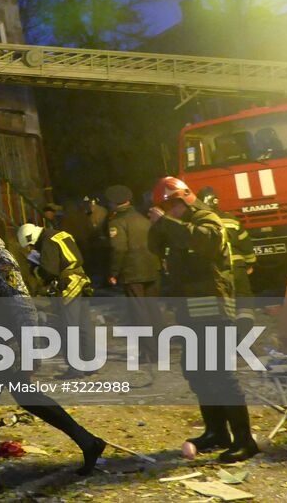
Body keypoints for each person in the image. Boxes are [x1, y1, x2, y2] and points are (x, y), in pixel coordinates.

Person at [0, 212, 106, 487]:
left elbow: (21, 304)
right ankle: (89, 442)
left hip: (3, 346)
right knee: (26, 397)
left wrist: (30, 348)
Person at [147, 176, 260, 463]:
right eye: (165, 209)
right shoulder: (176, 226)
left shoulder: (207, 219)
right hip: (189, 310)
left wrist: (168, 223)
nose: (169, 212)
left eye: (171, 206)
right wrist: (159, 225)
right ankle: (216, 432)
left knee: (220, 374)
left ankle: (244, 440)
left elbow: (206, 242)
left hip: (213, 307)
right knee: (197, 371)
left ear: (183, 199)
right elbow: (155, 247)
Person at [17, 218, 94, 378]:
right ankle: (90, 364)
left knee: (69, 328)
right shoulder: (60, 234)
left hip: (68, 285)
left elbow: (50, 270)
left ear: (30, 237)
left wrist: (36, 269)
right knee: (84, 326)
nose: (32, 248)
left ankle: (75, 369)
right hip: (81, 280)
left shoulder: (47, 242)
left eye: (30, 245)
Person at [102, 185, 164, 365]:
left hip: (132, 272)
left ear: (113, 203)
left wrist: (113, 272)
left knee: (139, 313)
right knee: (153, 310)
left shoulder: (116, 222)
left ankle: (149, 353)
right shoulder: (143, 218)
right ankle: (160, 349)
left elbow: (118, 248)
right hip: (152, 268)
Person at [196, 187, 256, 335]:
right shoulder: (231, 219)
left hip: (216, 271)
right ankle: (243, 338)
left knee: (219, 305)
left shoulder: (197, 221)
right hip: (238, 269)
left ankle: (225, 337)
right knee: (244, 305)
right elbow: (245, 243)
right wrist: (249, 263)